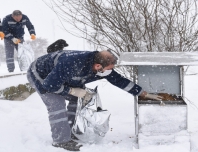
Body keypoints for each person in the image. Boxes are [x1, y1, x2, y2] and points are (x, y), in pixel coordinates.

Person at [26, 50, 162, 151]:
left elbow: (119, 80)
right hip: (41, 75)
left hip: (63, 77)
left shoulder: (101, 66)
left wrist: (142, 93)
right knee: (56, 103)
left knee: (78, 100)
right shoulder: (71, 63)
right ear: (98, 66)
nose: (111, 71)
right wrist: (72, 91)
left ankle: (70, 131)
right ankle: (61, 141)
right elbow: (50, 85)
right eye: (110, 69)